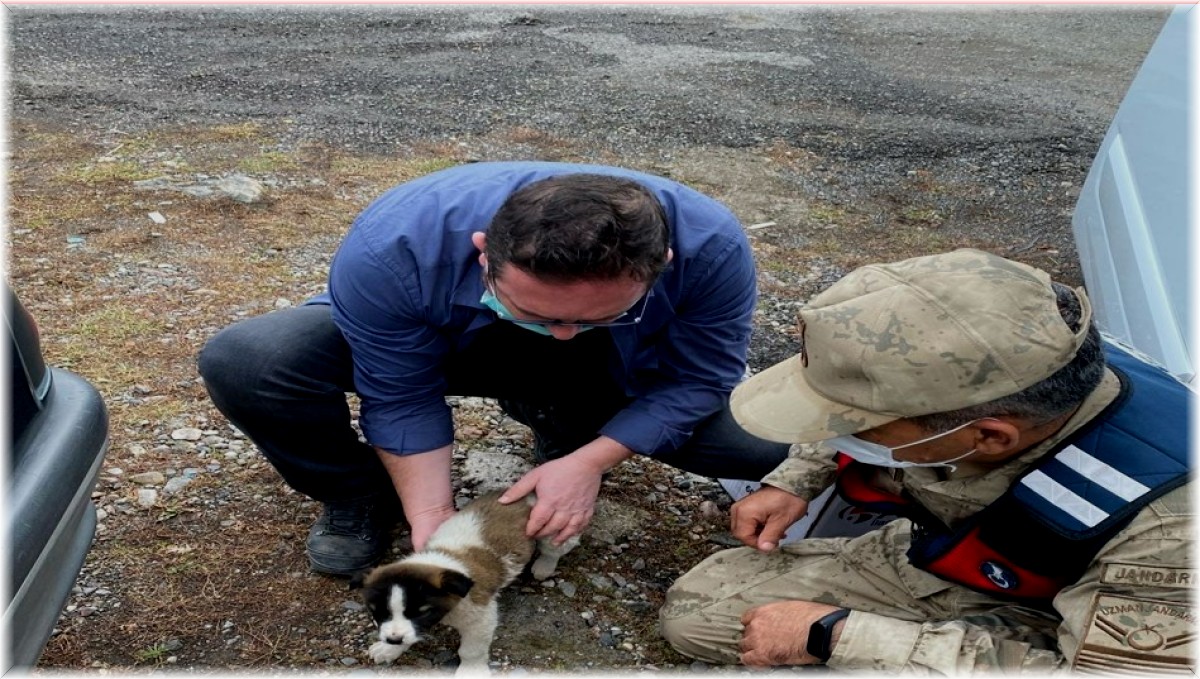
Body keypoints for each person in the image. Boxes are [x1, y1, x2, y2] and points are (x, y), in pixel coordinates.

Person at [198, 161, 790, 576]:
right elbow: (400, 393)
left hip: (614, 365)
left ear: (659, 264)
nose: (561, 334)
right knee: (254, 360)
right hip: (454, 345)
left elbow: (699, 378)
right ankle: (358, 494)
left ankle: (564, 422)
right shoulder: (397, 241)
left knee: (764, 446)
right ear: (484, 250)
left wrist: (590, 461)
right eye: (536, 311)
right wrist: (430, 517)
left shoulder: (709, 244)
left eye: (595, 315)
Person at [660, 249, 1192, 673]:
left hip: (1102, 623)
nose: (843, 433)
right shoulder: (1026, 356)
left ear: (988, 436)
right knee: (701, 615)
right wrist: (796, 478)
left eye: (856, 425)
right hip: (978, 560)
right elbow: (872, 405)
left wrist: (838, 636)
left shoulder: (1171, 531)